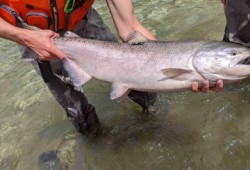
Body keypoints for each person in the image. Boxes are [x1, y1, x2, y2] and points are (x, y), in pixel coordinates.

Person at [0, 0, 223, 136]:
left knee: (143, 85)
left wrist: (176, 65)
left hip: (84, 23)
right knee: (78, 112)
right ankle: (96, 143)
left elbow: (130, 27)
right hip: (32, 35)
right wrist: (24, 37)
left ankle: (154, 118)